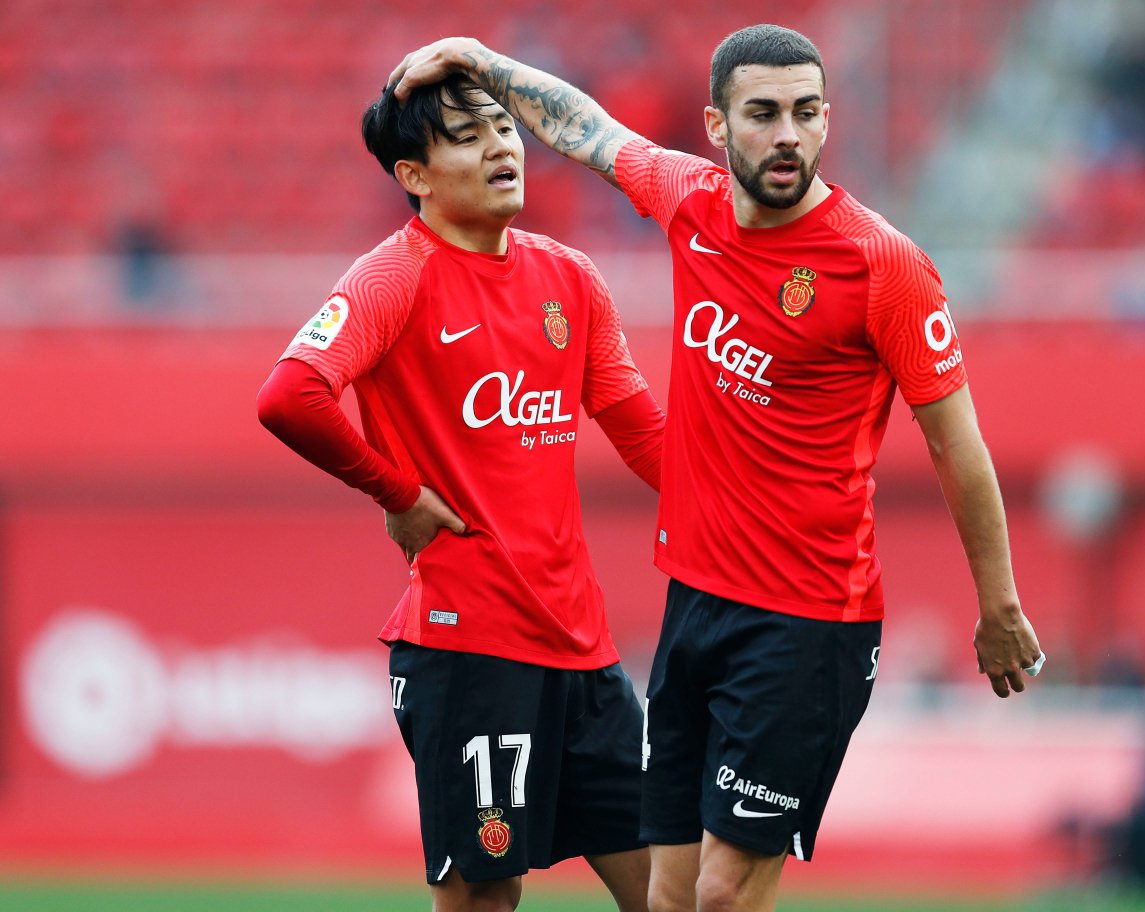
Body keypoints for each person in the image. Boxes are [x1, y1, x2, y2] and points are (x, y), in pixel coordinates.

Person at [387, 24, 1044, 912]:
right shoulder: (689, 201)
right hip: (694, 605)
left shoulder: (883, 265)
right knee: (669, 899)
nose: (788, 135)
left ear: (827, 118)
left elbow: (955, 442)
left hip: (807, 620)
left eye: (806, 112)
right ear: (716, 125)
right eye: (763, 113)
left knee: (726, 896)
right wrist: (481, 59)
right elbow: (585, 129)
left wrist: (998, 602)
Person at [256, 72, 664, 912]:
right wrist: (396, 492)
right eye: (469, 136)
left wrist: (758, 499)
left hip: (584, 651)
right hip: (470, 650)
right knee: (485, 898)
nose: (502, 147)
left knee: (672, 893)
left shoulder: (571, 277)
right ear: (415, 174)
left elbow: (644, 436)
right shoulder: (393, 277)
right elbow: (289, 395)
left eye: (504, 128)